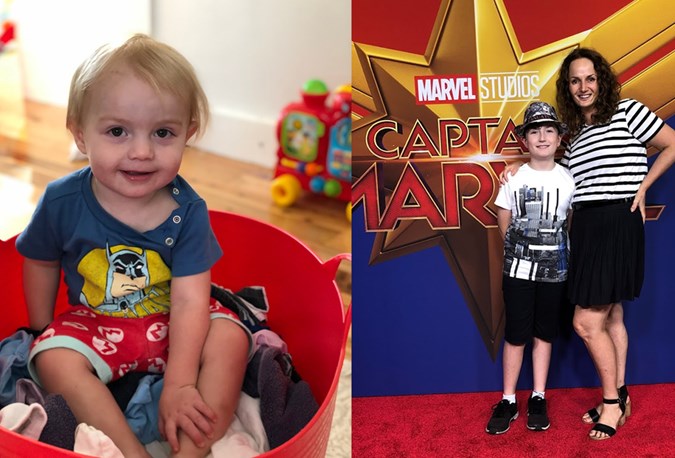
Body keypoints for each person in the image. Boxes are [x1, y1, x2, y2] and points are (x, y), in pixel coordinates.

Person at [16, 34, 253, 457]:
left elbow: (189, 302)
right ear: (81, 135)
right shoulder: (61, 200)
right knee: (51, 359)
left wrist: (180, 384)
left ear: (188, 133)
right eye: (117, 131)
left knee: (232, 337)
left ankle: (192, 447)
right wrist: (38, 329)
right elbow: (40, 258)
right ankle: (129, 451)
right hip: (98, 322)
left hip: (176, 324)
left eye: (163, 132)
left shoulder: (189, 211)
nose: (141, 151)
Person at [501, 47, 675, 440]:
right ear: (569, 87)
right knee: (611, 317)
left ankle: (611, 404)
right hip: (585, 227)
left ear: (603, 81)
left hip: (617, 221)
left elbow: (673, 143)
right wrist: (515, 163)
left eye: (590, 78)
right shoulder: (574, 132)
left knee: (585, 321)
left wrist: (645, 185)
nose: (583, 87)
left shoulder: (628, 111)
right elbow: (546, 163)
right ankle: (623, 395)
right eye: (575, 80)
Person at [485, 102, 574, 435]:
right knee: (516, 334)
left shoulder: (569, 179)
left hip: (555, 272)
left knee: (544, 333)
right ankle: (508, 399)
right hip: (518, 271)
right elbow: (503, 223)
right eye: (535, 131)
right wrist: (521, 254)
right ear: (525, 139)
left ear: (559, 137)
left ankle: (539, 395)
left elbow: (569, 224)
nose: (542, 137)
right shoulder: (514, 177)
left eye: (549, 130)